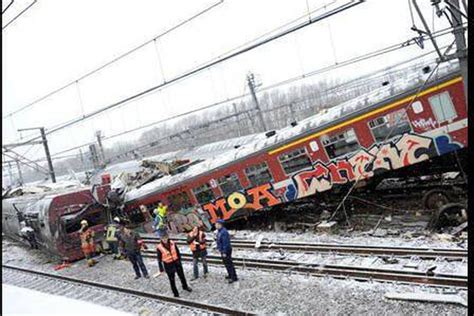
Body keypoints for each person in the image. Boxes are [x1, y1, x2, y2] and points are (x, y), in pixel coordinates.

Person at [156, 233, 192, 297]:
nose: (164, 240)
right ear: (161, 239)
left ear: (167, 237)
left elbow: (177, 252)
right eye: (163, 239)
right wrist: (161, 268)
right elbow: (159, 259)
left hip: (176, 262)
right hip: (168, 265)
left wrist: (179, 260)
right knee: (172, 280)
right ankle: (175, 293)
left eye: (165, 238)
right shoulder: (159, 247)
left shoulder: (173, 243)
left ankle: (185, 286)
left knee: (182, 276)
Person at [216, 219, 238, 283]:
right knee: (227, 264)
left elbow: (226, 243)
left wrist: (224, 252)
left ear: (220, 225)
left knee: (229, 264)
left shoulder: (224, 232)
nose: (215, 225)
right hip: (223, 250)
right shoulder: (220, 231)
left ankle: (233, 277)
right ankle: (230, 275)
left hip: (226, 250)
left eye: (216, 224)